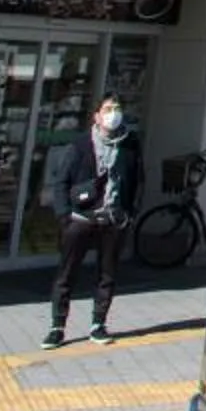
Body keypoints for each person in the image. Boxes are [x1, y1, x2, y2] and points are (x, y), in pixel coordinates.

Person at [44, 97, 140, 347]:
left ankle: (98, 323)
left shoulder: (130, 145)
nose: (113, 114)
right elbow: (61, 181)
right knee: (67, 273)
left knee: (107, 273)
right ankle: (57, 326)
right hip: (81, 218)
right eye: (107, 110)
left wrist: (130, 213)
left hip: (113, 217)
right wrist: (65, 215)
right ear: (96, 116)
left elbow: (138, 180)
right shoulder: (80, 146)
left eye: (117, 109)